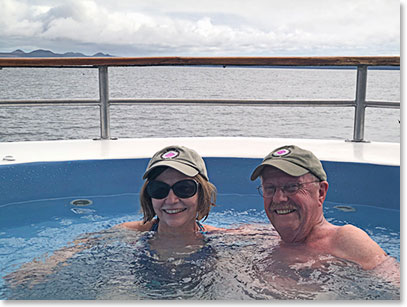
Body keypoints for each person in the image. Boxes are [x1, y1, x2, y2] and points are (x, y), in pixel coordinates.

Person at [250, 144, 397, 273]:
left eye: (292, 187)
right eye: (269, 188)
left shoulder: (345, 241)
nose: (278, 198)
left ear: (321, 192)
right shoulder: (265, 236)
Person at [119, 145, 220, 258]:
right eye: (159, 189)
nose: (171, 200)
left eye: (184, 188)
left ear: (202, 194)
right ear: (148, 196)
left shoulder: (222, 240)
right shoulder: (126, 233)